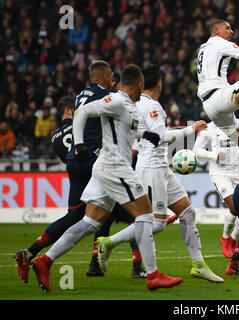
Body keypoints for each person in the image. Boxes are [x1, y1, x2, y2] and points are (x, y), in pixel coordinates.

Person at [30, 64, 182, 292]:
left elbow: (120, 130)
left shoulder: (127, 106)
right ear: (139, 86)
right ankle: (152, 274)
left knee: (90, 222)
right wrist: (79, 143)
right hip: (115, 167)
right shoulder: (118, 100)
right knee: (145, 215)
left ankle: (45, 260)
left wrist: (144, 134)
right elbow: (82, 112)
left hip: (105, 168)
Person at [95, 64, 223, 283]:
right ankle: (107, 243)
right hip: (151, 168)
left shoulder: (139, 104)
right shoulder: (152, 106)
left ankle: (198, 264)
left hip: (161, 167)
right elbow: (160, 136)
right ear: (159, 84)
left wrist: (183, 129)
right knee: (156, 223)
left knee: (187, 213)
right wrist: (190, 130)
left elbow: (156, 133)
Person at [14, 61, 115, 283]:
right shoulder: (103, 96)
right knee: (117, 209)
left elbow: (69, 149)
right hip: (93, 159)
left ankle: (29, 253)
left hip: (74, 164)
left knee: (75, 215)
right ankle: (109, 263)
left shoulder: (59, 131)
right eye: (111, 76)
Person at [193, 117, 239, 258]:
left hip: (238, 172)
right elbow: (196, 150)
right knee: (235, 207)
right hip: (220, 173)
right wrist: (214, 155)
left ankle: (233, 238)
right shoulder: (208, 128)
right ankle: (226, 238)